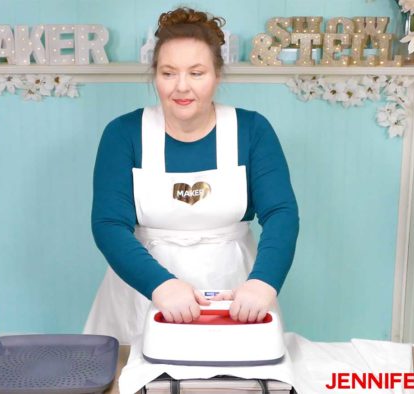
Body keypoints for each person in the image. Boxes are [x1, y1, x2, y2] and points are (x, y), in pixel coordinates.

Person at [84, 7, 299, 344]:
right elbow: (109, 224)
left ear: (217, 74)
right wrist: (162, 286)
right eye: (168, 73)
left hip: (234, 290)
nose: (181, 87)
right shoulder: (123, 134)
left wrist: (264, 283)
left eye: (196, 73)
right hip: (140, 294)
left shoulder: (252, 130)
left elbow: (281, 213)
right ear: (155, 75)